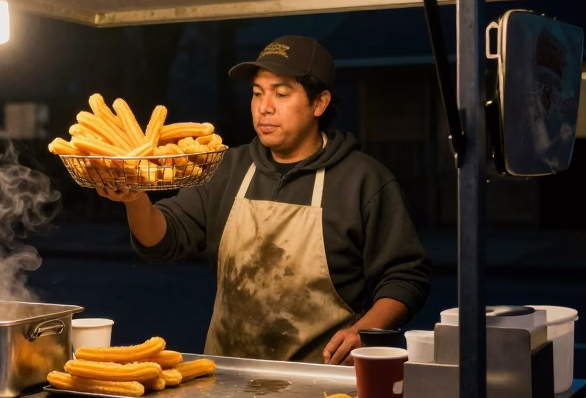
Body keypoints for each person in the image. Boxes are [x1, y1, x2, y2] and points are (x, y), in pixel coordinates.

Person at [98, 36, 432, 364]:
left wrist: (365, 330)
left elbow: (406, 276)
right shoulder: (226, 167)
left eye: (281, 93)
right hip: (229, 378)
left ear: (320, 103)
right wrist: (136, 200)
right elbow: (164, 240)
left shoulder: (363, 180)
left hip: (324, 380)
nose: (264, 107)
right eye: (257, 93)